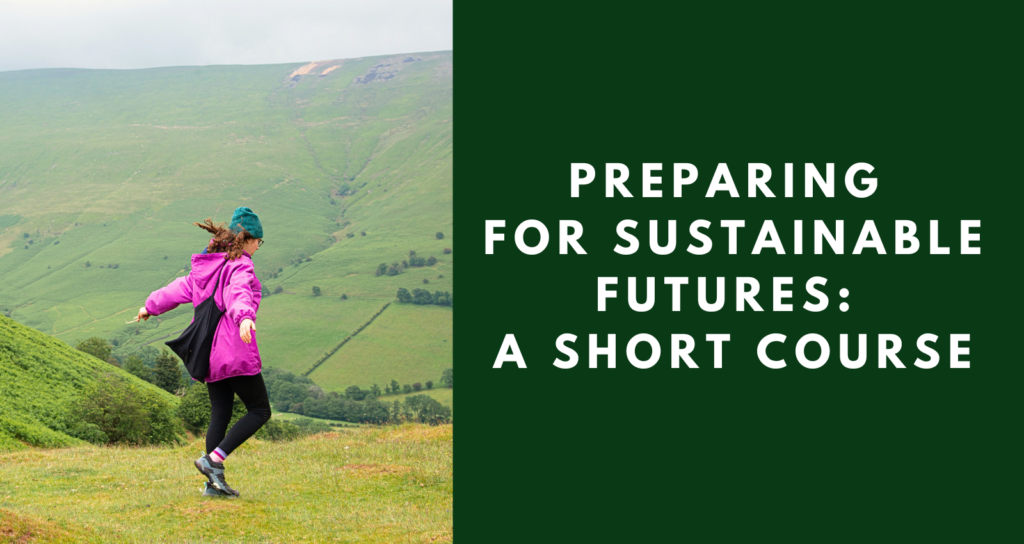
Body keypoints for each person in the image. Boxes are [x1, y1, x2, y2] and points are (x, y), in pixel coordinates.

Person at [137, 206, 269, 497]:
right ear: (247, 239)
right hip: (232, 352)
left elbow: (177, 289)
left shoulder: (206, 267)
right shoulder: (240, 266)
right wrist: (245, 317)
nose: (259, 246)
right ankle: (213, 460)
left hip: (207, 354)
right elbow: (238, 292)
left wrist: (150, 306)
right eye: (259, 240)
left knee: (220, 412)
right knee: (259, 410)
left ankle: (214, 486)